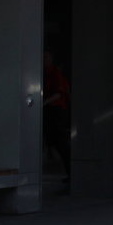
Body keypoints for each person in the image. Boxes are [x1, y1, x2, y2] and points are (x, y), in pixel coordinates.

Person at [43, 50, 71, 183]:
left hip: (57, 110)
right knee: (56, 141)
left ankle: (70, 172)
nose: (43, 59)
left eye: (46, 57)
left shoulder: (55, 74)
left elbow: (59, 93)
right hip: (52, 109)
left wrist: (44, 102)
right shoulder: (46, 73)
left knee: (60, 142)